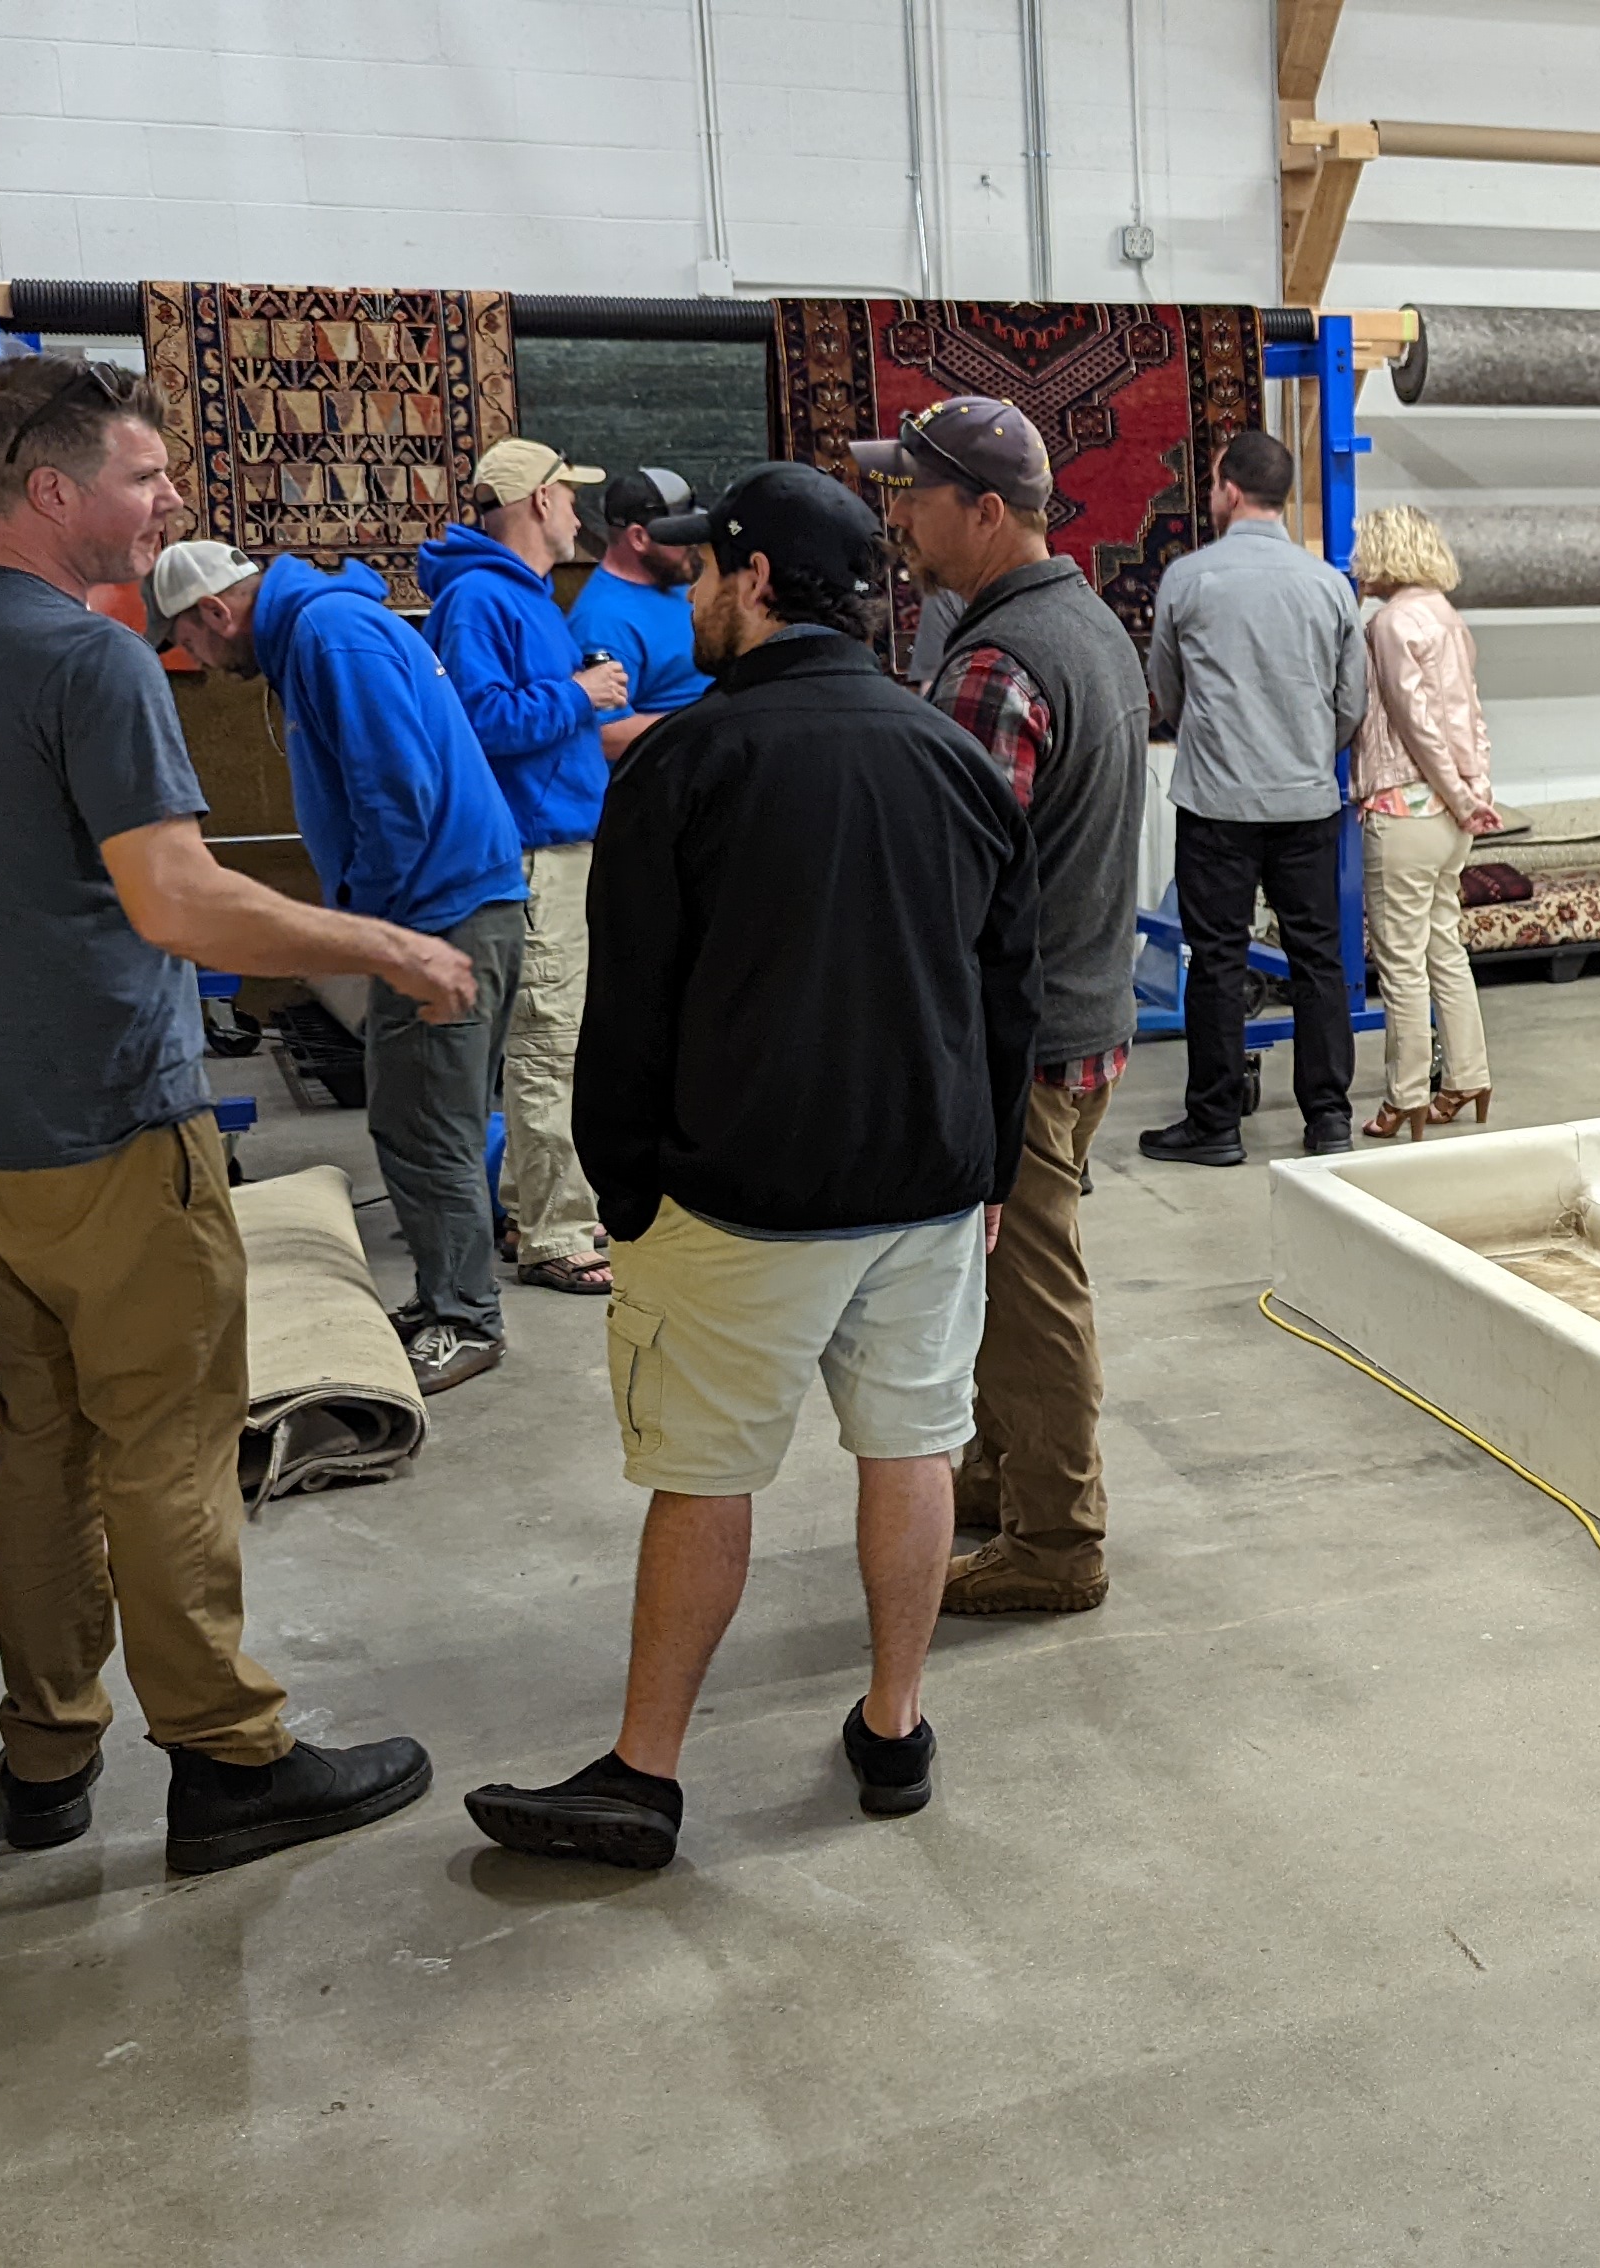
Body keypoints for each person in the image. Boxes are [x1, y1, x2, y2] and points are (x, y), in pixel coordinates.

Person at [0, 352, 465, 1872]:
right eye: (145, 476)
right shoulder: (89, 659)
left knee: (46, 1435)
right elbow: (177, 899)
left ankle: (46, 1754)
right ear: (52, 491)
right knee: (172, 1442)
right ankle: (229, 1758)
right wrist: (383, 945)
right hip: (106, 1119)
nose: (172, 501)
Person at [461, 464, 1039, 1869]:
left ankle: (645, 1772)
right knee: (910, 1449)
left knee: (707, 1475)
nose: (693, 596)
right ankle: (895, 1725)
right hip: (926, 1182)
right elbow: (1003, 988)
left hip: (743, 1195)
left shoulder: (686, 762)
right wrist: (992, 1170)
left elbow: (631, 1010)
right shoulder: (950, 755)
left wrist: (624, 1194)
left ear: (758, 579)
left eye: (708, 572)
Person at [859, 396, 1153, 1617]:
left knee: (1031, 1298)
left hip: (1024, 1040)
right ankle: (1002, 1471)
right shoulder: (1087, 625)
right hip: (1085, 1012)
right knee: (1007, 1283)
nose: (897, 516)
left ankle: (1059, 1541)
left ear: (985, 511)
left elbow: (956, 881)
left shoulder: (997, 666)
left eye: (914, 494)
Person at [149, 538, 531, 1395]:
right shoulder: (317, 632)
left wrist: (373, 931)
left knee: (426, 1123)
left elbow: (396, 792)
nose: (195, 661)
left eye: (188, 641)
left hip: (437, 916)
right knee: (421, 1115)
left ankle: (466, 1318)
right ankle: (448, 1296)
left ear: (215, 611)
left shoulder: (329, 635)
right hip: (446, 909)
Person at [420, 435, 623, 1299]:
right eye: (569, 496)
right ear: (540, 500)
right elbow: (477, 721)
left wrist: (573, 691)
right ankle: (556, 1232)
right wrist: (580, 695)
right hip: (534, 850)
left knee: (555, 1038)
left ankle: (528, 1206)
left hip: (555, 843)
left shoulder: (520, 596)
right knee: (549, 1045)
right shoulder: (480, 598)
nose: (578, 512)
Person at [1135, 429, 1369, 1169]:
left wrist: (1210, 736)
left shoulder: (1189, 579)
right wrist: (1307, 751)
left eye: (1212, 484)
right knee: (1318, 959)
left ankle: (1216, 1123)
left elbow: (1167, 689)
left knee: (1216, 960)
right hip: (1305, 800)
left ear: (1231, 491)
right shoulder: (1329, 585)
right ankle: (1328, 1118)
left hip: (1217, 802)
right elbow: (1351, 701)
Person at [1347, 503, 1499, 1144]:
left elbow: (1415, 725)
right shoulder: (1447, 617)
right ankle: (1468, 1077)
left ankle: (1404, 1096)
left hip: (1403, 810)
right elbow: (1469, 717)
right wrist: (1473, 794)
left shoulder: (1390, 624)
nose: (1356, 560)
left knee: (1401, 963)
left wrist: (1459, 797)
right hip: (1451, 819)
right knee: (1445, 948)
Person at [570, 466, 714, 763]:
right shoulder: (604, 623)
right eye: (678, 533)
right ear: (639, 538)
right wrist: (714, 722)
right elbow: (605, 736)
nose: (691, 542)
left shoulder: (673, 578)